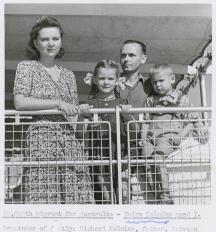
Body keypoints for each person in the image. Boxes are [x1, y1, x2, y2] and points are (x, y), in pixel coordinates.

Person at [13, 16, 94, 204]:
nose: (51, 43)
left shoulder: (68, 75)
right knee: (45, 192)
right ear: (36, 43)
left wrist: (80, 110)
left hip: (68, 138)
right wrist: (57, 103)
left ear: (61, 41)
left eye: (55, 39)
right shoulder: (27, 67)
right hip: (42, 137)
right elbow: (19, 102)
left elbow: (72, 112)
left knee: (75, 191)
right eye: (45, 39)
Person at [139, 64, 208, 204]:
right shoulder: (150, 101)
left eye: (161, 81)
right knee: (144, 157)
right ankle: (154, 192)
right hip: (151, 137)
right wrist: (142, 138)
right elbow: (146, 121)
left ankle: (165, 193)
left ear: (171, 79)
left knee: (158, 157)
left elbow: (191, 120)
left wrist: (181, 135)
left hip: (168, 136)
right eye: (154, 82)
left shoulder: (180, 98)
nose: (157, 85)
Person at [84, 60, 130, 202]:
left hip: (120, 153)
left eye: (110, 78)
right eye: (102, 78)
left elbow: (132, 129)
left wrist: (126, 113)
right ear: (95, 80)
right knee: (106, 194)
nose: (106, 82)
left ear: (117, 81)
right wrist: (85, 117)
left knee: (124, 194)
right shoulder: (90, 103)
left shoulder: (123, 102)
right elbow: (82, 133)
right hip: (99, 155)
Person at [119, 39, 153, 202]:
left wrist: (196, 121)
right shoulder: (111, 84)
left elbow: (176, 100)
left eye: (131, 55)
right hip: (119, 146)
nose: (126, 59)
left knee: (149, 190)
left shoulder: (151, 85)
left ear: (143, 59)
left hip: (143, 144)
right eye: (123, 55)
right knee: (122, 193)